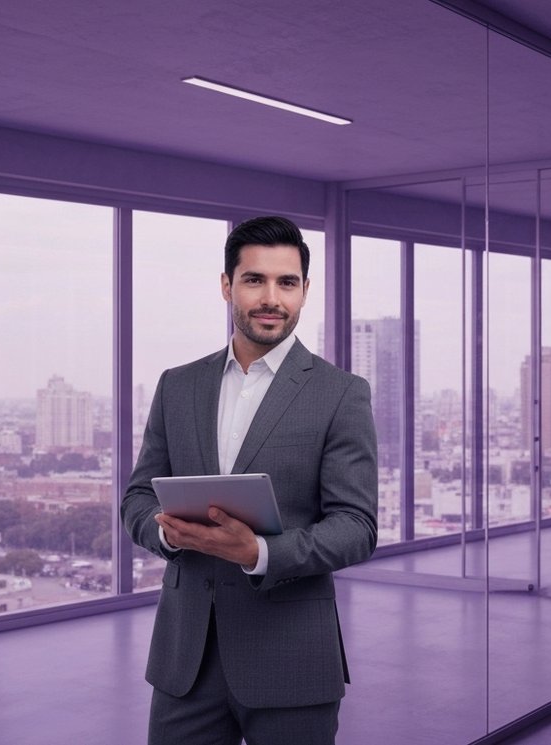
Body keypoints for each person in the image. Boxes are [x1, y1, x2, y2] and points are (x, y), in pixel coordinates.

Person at [121, 215, 378, 745]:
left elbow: (356, 526)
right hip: (185, 661)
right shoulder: (177, 385)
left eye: (287, 283)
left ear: (305, 291)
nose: (271, 298)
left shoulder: (341, 393)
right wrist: (167, 532)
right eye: (254, 280)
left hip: (291, 658)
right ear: (226, 286)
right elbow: (138, 496)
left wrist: (258, 552)